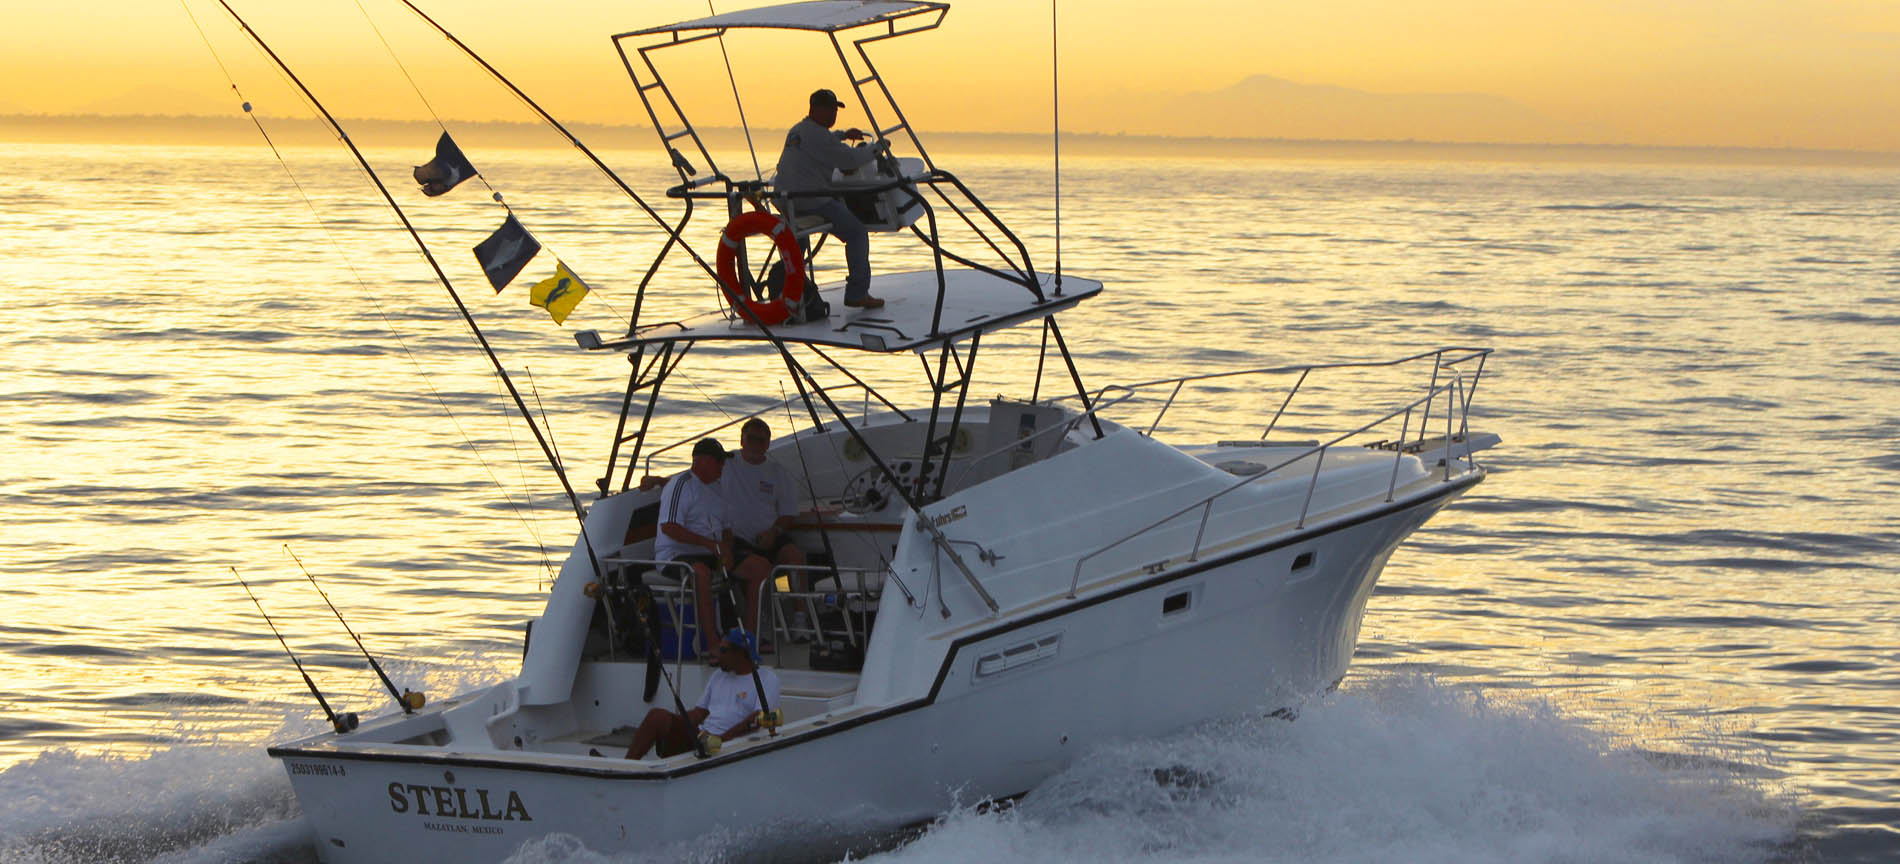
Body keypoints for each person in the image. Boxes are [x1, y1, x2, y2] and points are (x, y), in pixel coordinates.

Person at [654, 438, 772, 652]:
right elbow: (669, 527)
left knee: (760, 566)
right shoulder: (680, 485)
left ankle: (749, 637)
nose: (722, 467)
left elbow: (726, 527)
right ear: (704, 461)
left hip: (712, 551)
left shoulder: (718, 488)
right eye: (719, 462)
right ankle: (712, 642)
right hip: (677, 554)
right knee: (700, 572)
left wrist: (724, 549)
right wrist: (710, 545)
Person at [775, 88, 884, 309]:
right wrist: (877, 149)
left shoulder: (798, 130)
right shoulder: (819, 136)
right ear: (815, 109)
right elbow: (850, 161)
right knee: (857, 233)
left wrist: (843, 135)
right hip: (810, 200)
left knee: (799, 241)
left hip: (786, 200)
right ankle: (857, 293)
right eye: (830, 110)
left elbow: (822, 143)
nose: (834, 114)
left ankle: (788, 288)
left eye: (836, 110)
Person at [624, 629, 782, 759]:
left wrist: (723, 740)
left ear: (740, 653)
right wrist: (676, 722)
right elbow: (700, 713)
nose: (718, 656)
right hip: (704, 739)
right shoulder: (718, 676)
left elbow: (758, 719)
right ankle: (627, 767)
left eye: (723, 651)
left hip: (730, 745)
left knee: (659, 718)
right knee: (658, 717)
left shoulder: (767, 679)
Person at [721, 418, 807, 581]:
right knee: (760, 567)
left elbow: (788, 513)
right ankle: (762, 603)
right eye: (750, 439)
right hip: (735, 540)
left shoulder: (778, 472)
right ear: (741, 440)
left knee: (794, 556)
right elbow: (697, 476)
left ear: (767, 444)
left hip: (769, 538)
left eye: (761, 440)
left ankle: (796, 604)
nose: (755, 444)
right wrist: (662, 481)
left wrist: (774, 533)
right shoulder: (725, 463)